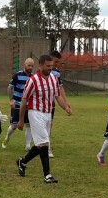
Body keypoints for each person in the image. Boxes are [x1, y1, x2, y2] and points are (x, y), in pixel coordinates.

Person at [15, 54, 72, 183]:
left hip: (47, 114)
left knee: (40, 144)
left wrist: (66, 107)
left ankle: (22, 161)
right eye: (48, 66)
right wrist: (21, 120)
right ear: (40, 65)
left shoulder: (53, 78)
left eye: (51, 66)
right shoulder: (33, 80)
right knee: (45, 143)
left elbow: (57, 96)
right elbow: (24, 100)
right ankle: (47, 175)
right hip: (35, 113)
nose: (50, 68)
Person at [2, 57, 34, 149]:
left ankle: (27, 145)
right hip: (17, 104)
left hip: (28, 105)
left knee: (29, 125)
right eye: (29, 65)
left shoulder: (33, 77)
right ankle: (7, 137)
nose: (30, 67)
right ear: (24, 65)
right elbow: (10, 88)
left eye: (32, 66)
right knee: (14, 125)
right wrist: (11, 100)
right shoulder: (17, 75)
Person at [47, 50, 71, 157]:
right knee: (45, 125)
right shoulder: (43, 71)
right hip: (41, 103)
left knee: (49, 124)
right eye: (55, 62)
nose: (57, 64)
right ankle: (46, 147)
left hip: (51, 103)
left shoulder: (56, 73)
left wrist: (66, 102)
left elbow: (60, 88)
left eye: (58, 62)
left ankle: (46, 145)